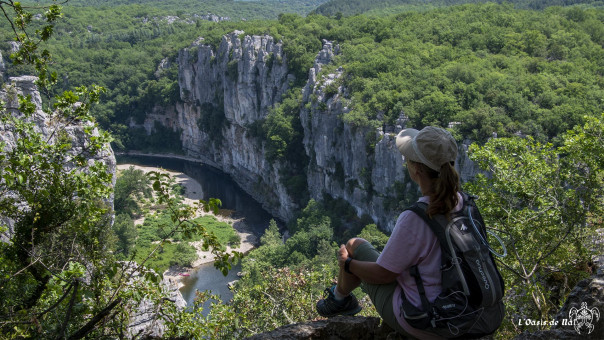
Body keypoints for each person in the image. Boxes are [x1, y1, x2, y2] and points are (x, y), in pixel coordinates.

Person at [316, 126, 462, 340]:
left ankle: (339, 300)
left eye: (409, 159)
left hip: (427, 321)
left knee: (353, 246)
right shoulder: (464, 203)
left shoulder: (416, 217)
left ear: (416, 170)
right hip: (464, 309)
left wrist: (347, 264)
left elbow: (384, 274)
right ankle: (339, 297)